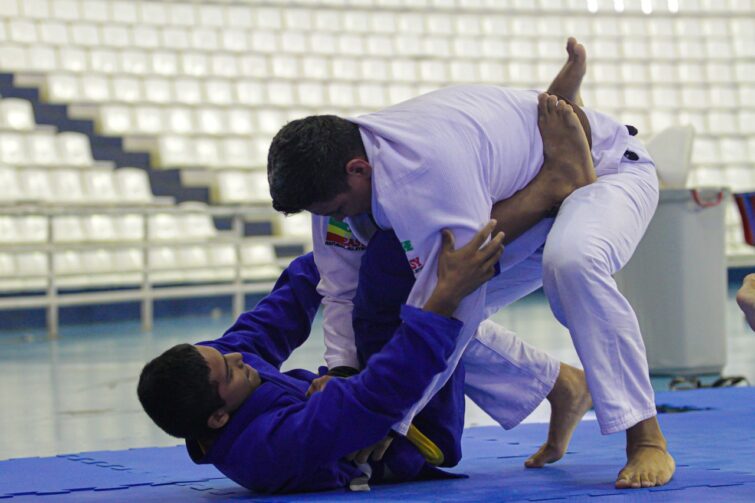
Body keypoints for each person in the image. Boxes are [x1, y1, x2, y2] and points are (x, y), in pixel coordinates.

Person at [267, 38, 675, 489]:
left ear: (359, 169)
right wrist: (344, 372)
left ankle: (646, 436)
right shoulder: (334, 183)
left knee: (570, 263)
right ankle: (559, 384)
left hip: (610, 172)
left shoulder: (422, 173)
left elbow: (450, 307)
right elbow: (342, 289)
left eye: (339, 207)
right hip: (520, 199)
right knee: (426, 310)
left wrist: (387, 416)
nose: (336, 219)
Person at [138, 223, 505, 494]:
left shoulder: (219, 370)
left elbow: (280, 311)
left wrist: (335, 246)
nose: (235, 356)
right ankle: (541, 196)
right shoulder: (267, 451)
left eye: (222, 353)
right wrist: (443, 301)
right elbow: (377, 396)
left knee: (371, 247)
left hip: (363, 399)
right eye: (229, 370)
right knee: (393, 262)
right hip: (416, 432)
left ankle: (557, 382)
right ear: (219, 418)